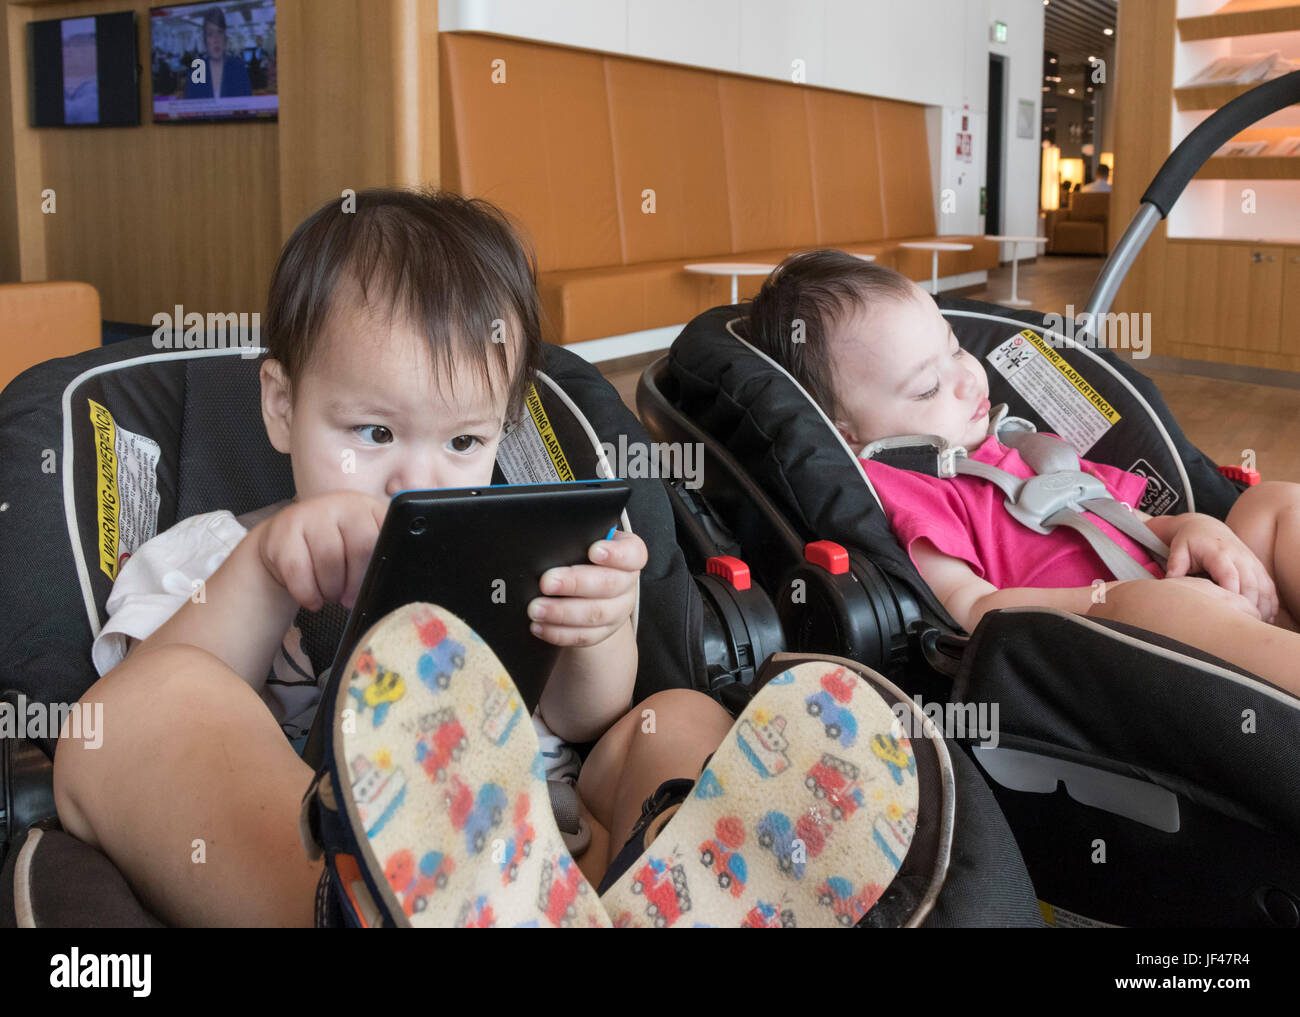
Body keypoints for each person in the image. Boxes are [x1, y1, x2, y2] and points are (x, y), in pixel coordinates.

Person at [52, 191, 898, 928]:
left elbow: (583, 719)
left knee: (668, 715)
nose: (416, 477)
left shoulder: (516, 547)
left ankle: (697, 880)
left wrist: (596, 626)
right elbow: (147, 702)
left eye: (462, 440)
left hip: (564, 856)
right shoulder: (216, 550)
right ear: (282, 406)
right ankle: (340, 908)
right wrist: (266, 572)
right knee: (134, 714)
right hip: (313, 844)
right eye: (373, 433)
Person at [745, 250, 1300, 698]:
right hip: (1110, 641)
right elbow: (968, 609)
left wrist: (1191, 528)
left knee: (1269, 505)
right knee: (1178, 611)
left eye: (956, 349)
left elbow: (1127, 525)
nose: (968, 378)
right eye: (926, 388)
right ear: (847, 435)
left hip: (1175, 581)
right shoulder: (912, 492)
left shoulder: (1024, 445)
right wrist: (1115, 602)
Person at [183, 6, 251, 99]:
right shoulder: (197, 70)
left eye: (219, 32)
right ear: (205, 40)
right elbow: (190, 108)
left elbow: (248, 105)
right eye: (210, 34)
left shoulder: (238, 67)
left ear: (225, 38)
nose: (216, 40)